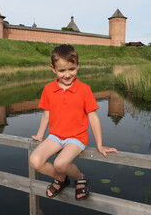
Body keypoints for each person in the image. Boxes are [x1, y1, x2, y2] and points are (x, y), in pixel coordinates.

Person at [29, 44, 118, 201]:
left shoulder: (84, 89)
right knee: (35, 160)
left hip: (76, 138)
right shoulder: (48, 89)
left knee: (60, 163)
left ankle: (80, 178)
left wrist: (100, 144)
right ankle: (62, 179)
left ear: (78, 65)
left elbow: (93, 118)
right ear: (53, 69)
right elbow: (46, 115)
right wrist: (40, 135)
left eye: (72, 69)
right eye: (62, 70)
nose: (67, 74)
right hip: (55, 136)